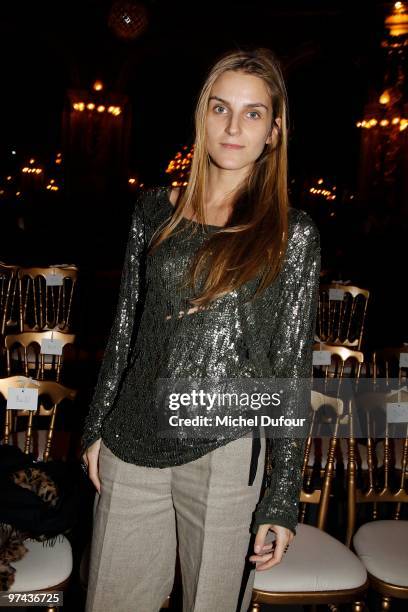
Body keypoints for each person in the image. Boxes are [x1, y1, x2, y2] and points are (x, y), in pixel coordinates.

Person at [81, 46, 321, 612]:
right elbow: (125, 327)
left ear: (274, 131)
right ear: (201, 115)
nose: (234, 126)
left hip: (229, 446)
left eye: (253, 113)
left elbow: (290, 366)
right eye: (220, 108)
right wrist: (95, 426)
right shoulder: (152, 210)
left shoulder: (294, 233)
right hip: (132, 438)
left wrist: (282, 496)